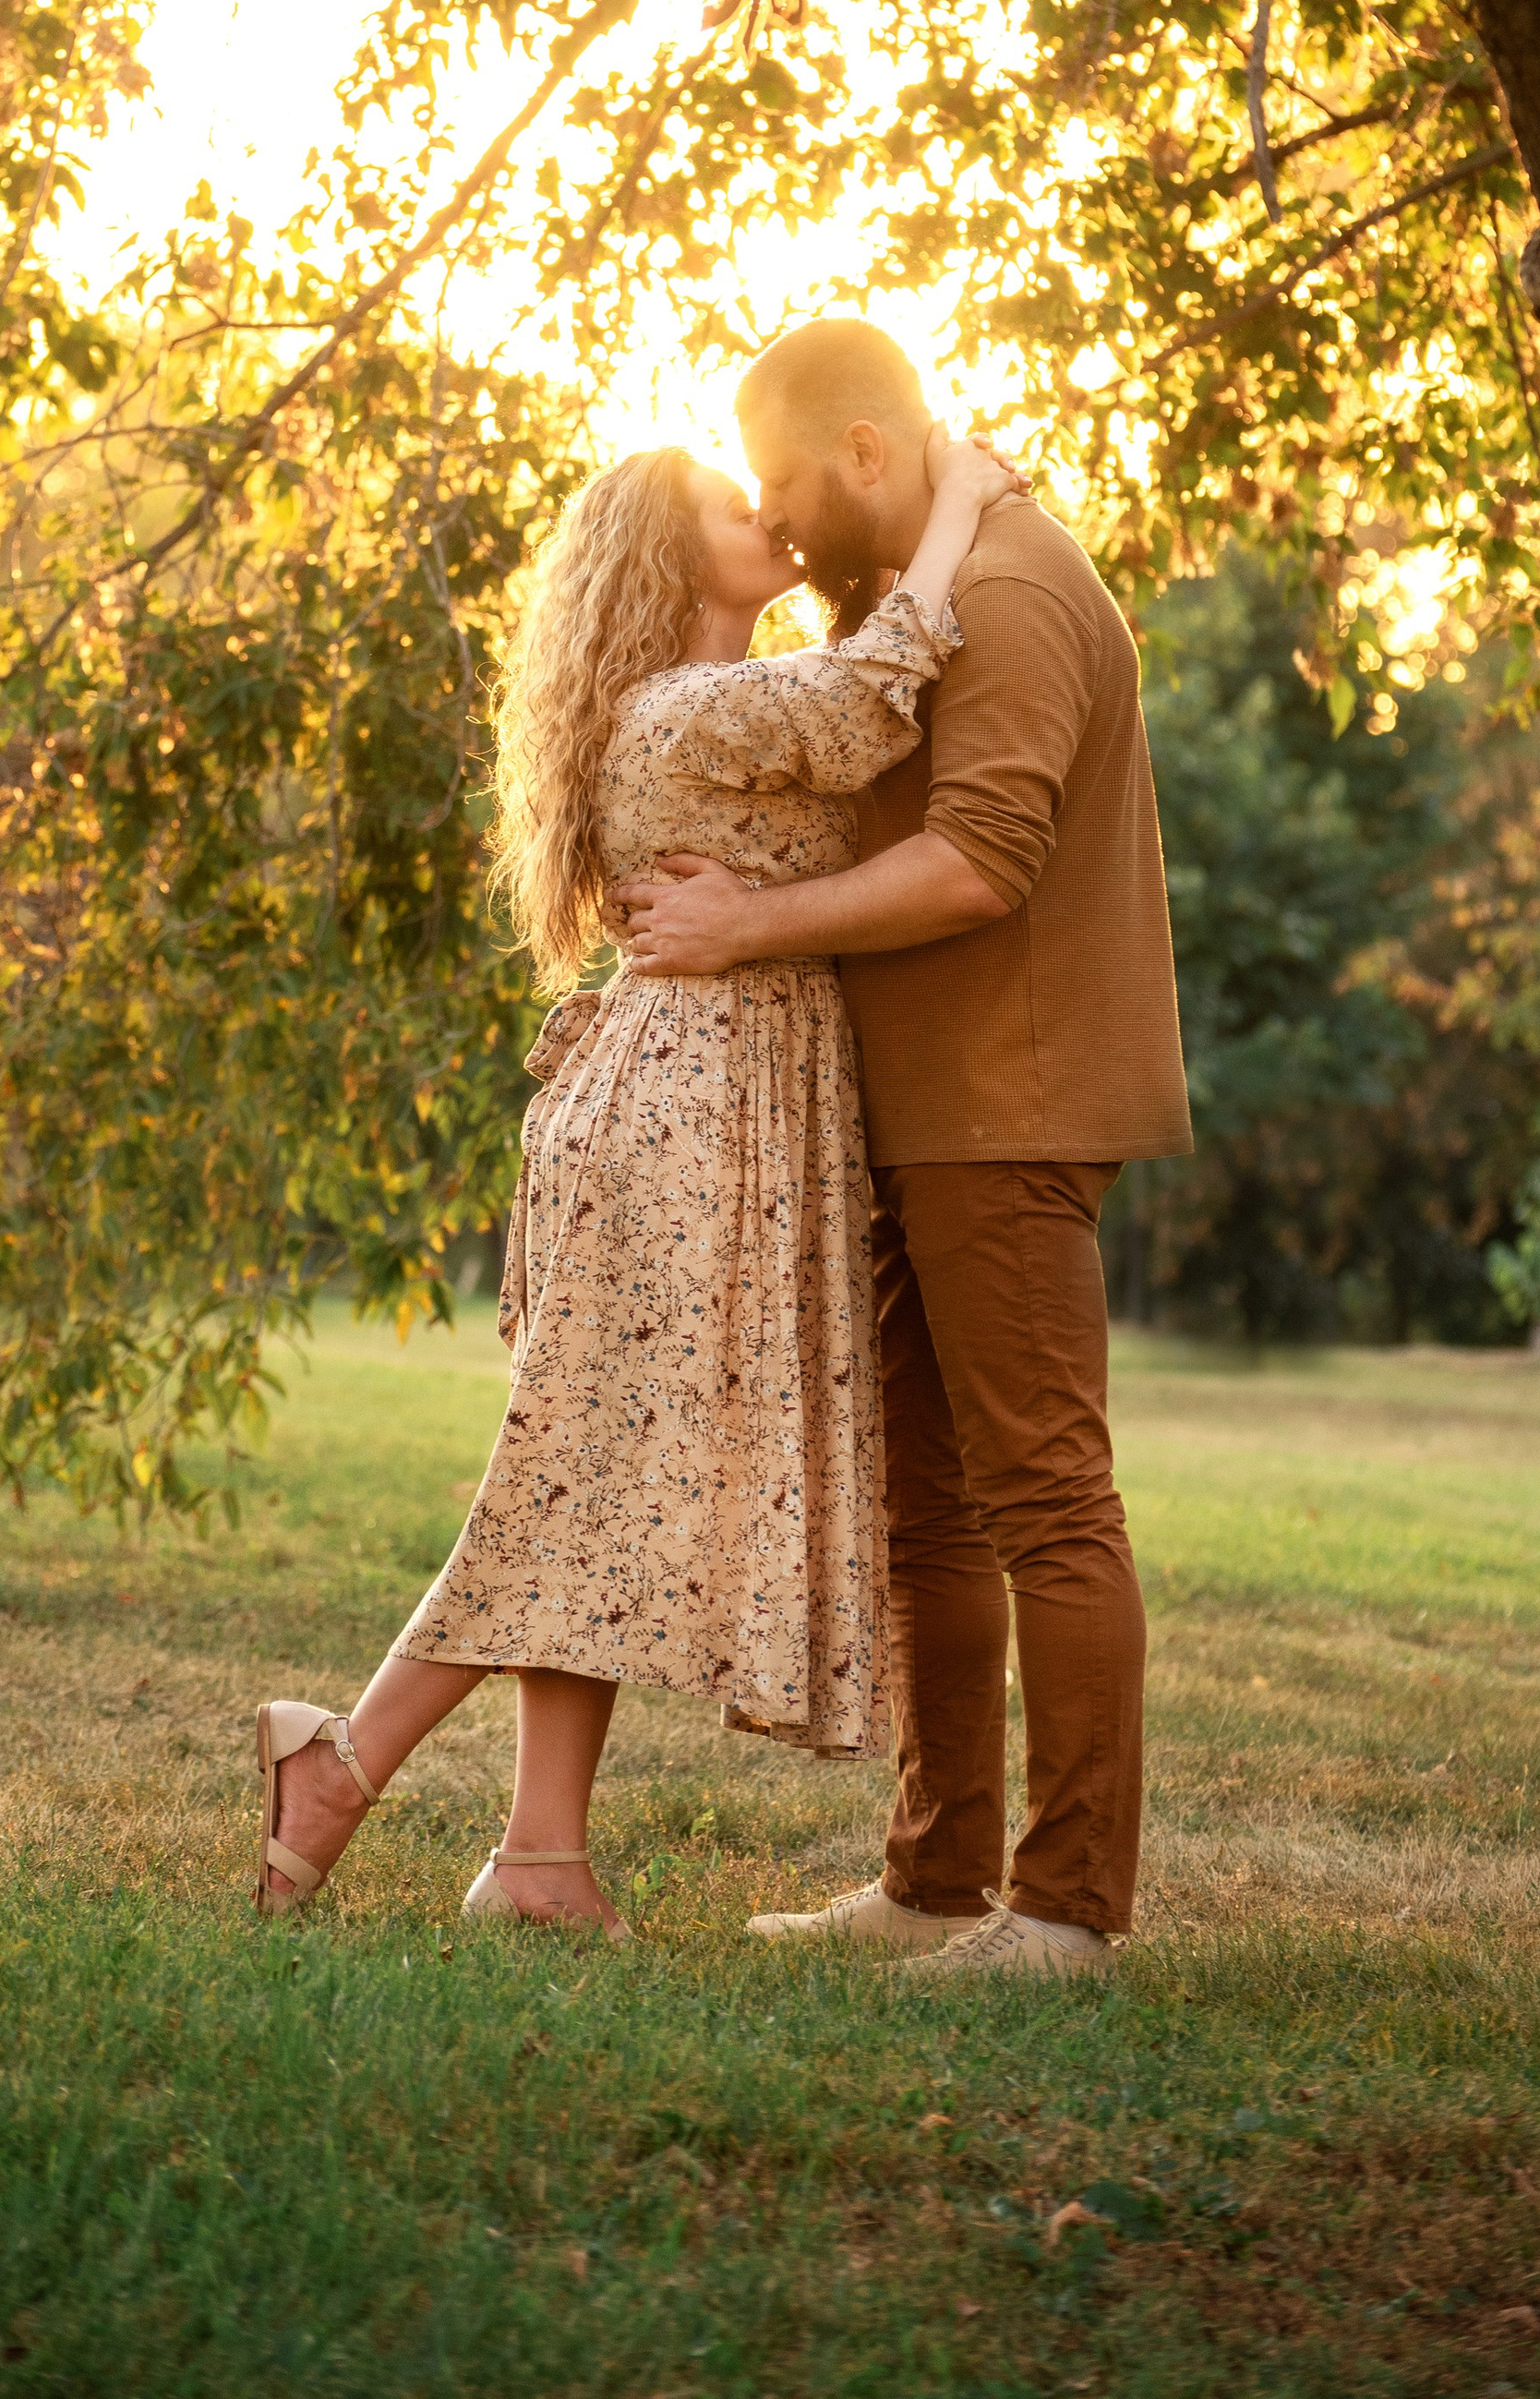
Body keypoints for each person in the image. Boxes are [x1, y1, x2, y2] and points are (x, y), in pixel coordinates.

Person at [252, 428, 1022, 1935]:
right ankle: (341, 1760)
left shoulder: (698, 706)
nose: (770, 511)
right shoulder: (685, 712)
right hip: (682, 1116)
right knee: (574, 1486)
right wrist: (969, 511)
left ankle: (539, 1856)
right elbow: (876, 698)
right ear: (670, 559)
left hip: (697, 1102)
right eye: (734, 506)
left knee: (591, 1481)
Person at [620, 320, 1190, 1979]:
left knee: (1046, 1501)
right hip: (923, 1112)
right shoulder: (910, 590)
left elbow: (979, 864)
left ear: (869, 450)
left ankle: (1069, 1911)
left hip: (1005, 1110)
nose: (780, 530)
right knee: (929, 1517)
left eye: (790, 490)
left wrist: (749, 928)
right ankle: (936, 1883)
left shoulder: (1008, 596)